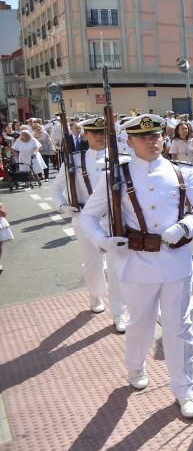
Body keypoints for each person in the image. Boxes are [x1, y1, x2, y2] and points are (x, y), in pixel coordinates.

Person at [80, 114, 193, 418]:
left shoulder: (182, 172)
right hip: (136, 262)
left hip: (175, 261)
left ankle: (184, 388)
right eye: (142, 137)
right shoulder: (116, 175)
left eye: (155, 135)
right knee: (139, 323)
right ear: (128, 142)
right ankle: (135, 365)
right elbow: (89, 216)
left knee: (178, 327)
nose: (151, 141)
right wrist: (102, 241)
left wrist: (185, 226)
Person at [50, 116, 128, 331]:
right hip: (84, 218)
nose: (101, 137)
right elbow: (56, 189)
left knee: (115, 267)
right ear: (86, 135)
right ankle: (95, 294)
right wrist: (63, 206)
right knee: (92, 264)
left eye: (104, 132)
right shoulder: (75, 160)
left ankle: (119, 311)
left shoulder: (120, 159)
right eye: (96, 133)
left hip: (114, 220)